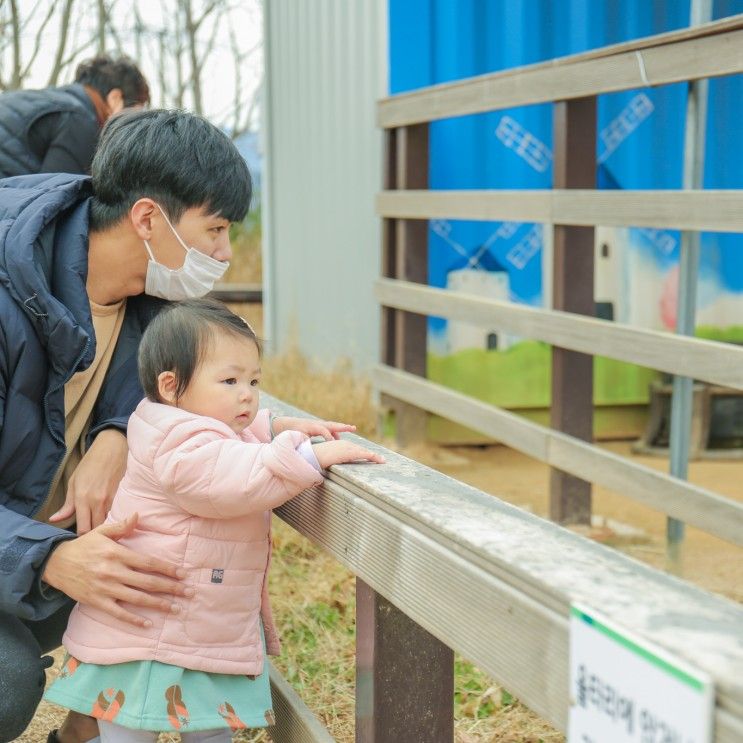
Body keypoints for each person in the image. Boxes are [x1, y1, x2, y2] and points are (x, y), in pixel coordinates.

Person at [0, 108, 255, 743]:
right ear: (148, 218)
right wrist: (51, 559)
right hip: (26, 550)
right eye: (216, 229)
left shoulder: (156, 307)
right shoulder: (9, 298)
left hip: (43, 542)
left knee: (182, 590)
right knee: (6, 680)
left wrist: (117, 430)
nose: (224, 254)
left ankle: (83, 729)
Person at [44, 298, 384, 742]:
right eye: (229, 380)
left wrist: (277, 428)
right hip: (152, 634)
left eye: (253, 380)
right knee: (133, 734)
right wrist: (308, 457)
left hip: (190, 626)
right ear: (171, 386)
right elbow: (230, 476)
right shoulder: (177, 441)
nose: (246, 393)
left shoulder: (182, 422)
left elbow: (235, 441)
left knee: (205, 727)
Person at [0, 54, 150, 178]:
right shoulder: (79, 120)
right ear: (115, 98)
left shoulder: (48, 99)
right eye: (134, 114)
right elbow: (55, 200)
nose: (133, 126)